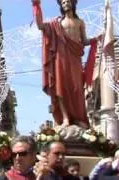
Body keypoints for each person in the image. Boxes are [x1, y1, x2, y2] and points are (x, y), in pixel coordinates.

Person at [32, 0, 101, 128]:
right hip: (60, 57)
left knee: (77, 87)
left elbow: (84, 40)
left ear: (73, 4)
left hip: (75, 58)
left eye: (67, 1)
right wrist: (36, 5)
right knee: (60, 87)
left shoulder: (80, 22)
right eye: (63, 2)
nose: (65, 4)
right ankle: (65, 118)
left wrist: (95, 39)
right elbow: (40, 25)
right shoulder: (56, 23)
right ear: (61, 6)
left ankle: (79, 118)